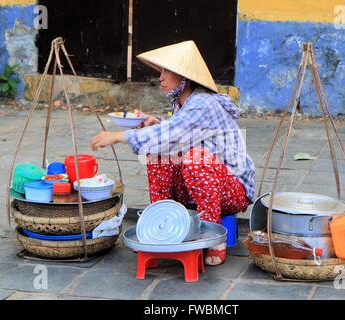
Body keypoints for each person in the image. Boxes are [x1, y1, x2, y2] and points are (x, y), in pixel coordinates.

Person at [90, 40, 255, 266]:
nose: (161, 78)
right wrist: (155, 123)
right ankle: (162, 224)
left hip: (231, 191)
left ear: (185, 78)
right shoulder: (183, 103)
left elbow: (174, 133)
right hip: (199, 187)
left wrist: (120, 136)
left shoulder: (203, 103)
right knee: (159, 155)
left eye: (167, 72)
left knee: (197, 159)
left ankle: (214, 239)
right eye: (161, 72)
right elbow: (178, 134)